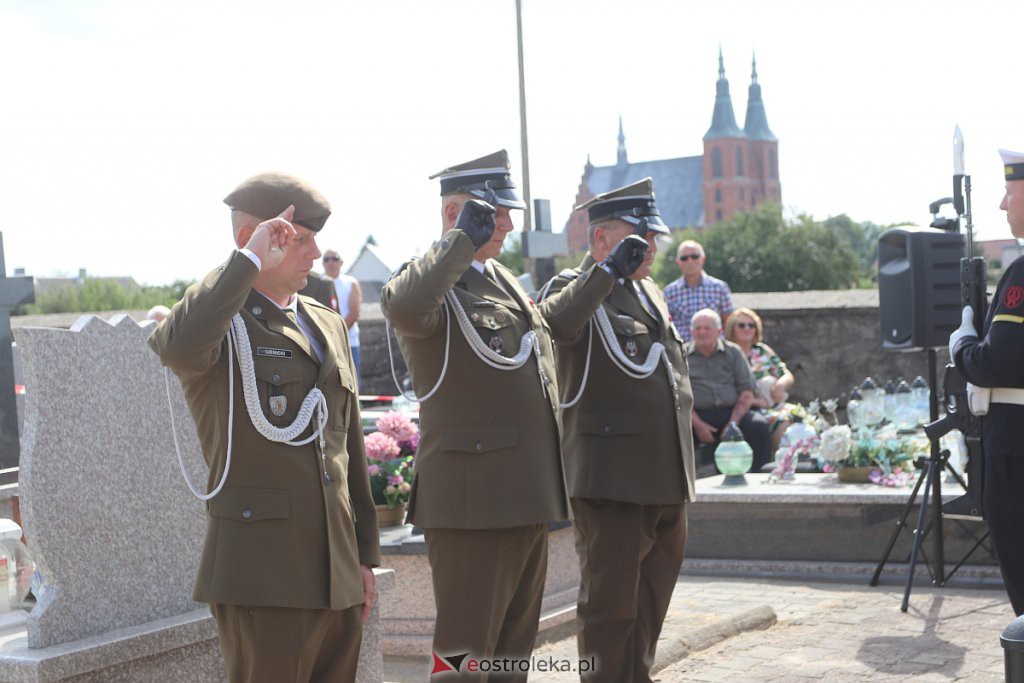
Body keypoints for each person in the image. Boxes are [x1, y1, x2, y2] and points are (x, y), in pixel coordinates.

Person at [148, 172, 380, 682]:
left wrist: (363, 557)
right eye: (299, 239)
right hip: (265, 577)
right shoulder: (220, 320)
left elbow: (348, 452)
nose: (316, 253)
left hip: (336, 574)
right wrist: (246, 263)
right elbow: (176, 347)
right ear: (251, 242)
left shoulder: (327, 323)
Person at [380, 150, 568, 678]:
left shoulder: (502, 279)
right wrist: (460, 242)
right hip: (472, 500)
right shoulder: (431, 277)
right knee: (465, 654)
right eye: (493, 213)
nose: (507, 223)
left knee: (511, 653)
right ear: (453, 215)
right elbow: (405, 308)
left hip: (524, 492)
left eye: (505, 213)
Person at [538, 178, 694, 682]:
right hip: (611, 483)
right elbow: (556, 325)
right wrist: (605, 273)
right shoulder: (575, 286)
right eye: (636, 237)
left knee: (651, 603)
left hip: (665, 478)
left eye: (652, 238)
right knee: (610, 611)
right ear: (601, 239)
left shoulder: (649, 291)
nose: (650, 248)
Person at [948, 147, 1024, 616]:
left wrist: (963, 344)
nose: (1001, 205)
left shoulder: (1021, 271)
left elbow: (997, 364)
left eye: (1010, 192)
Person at [686, 308, 772, 470]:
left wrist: (732, 424)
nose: (702, 332)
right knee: (672, 431)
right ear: (692, 332)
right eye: (698, 328)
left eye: (707, 328)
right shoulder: (681, 356)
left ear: (719, 331)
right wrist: (698, 425)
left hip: (732, 412)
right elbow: (678, 397)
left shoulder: (733, 353)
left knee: (758, 426)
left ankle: (759, 479)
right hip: (695, 415)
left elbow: (746, 393)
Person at [724, 306, 796, 448]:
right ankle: (781, 465)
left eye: (751, 325)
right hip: (748, 407)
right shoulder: (728, 354)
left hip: (773, 403)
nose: (747, 329)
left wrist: (780, 386)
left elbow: (786, 374)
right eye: (741, 325)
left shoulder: (761, 350)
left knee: (805, 419)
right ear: (732, 328)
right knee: (780, 422)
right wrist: (758, 402)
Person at [664, 240, 734, 342]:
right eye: (684, 258)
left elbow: (729, 323)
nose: (690, 261)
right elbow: (666, 325)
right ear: (678, 262)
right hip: (683, 351)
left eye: (694, 256)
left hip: (714, 351)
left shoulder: (720, 288)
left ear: (703, 259)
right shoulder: (669, 292)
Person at [322, 249, 362, 377]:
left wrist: (336, 335)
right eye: (326, 259)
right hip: (323, 343)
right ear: (322, 263)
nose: (331, 262)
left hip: (348, 343)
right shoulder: (318, 283)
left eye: (335, 258)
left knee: (352, 383)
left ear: (341, 262)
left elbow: (354, 313)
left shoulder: (351, 282)